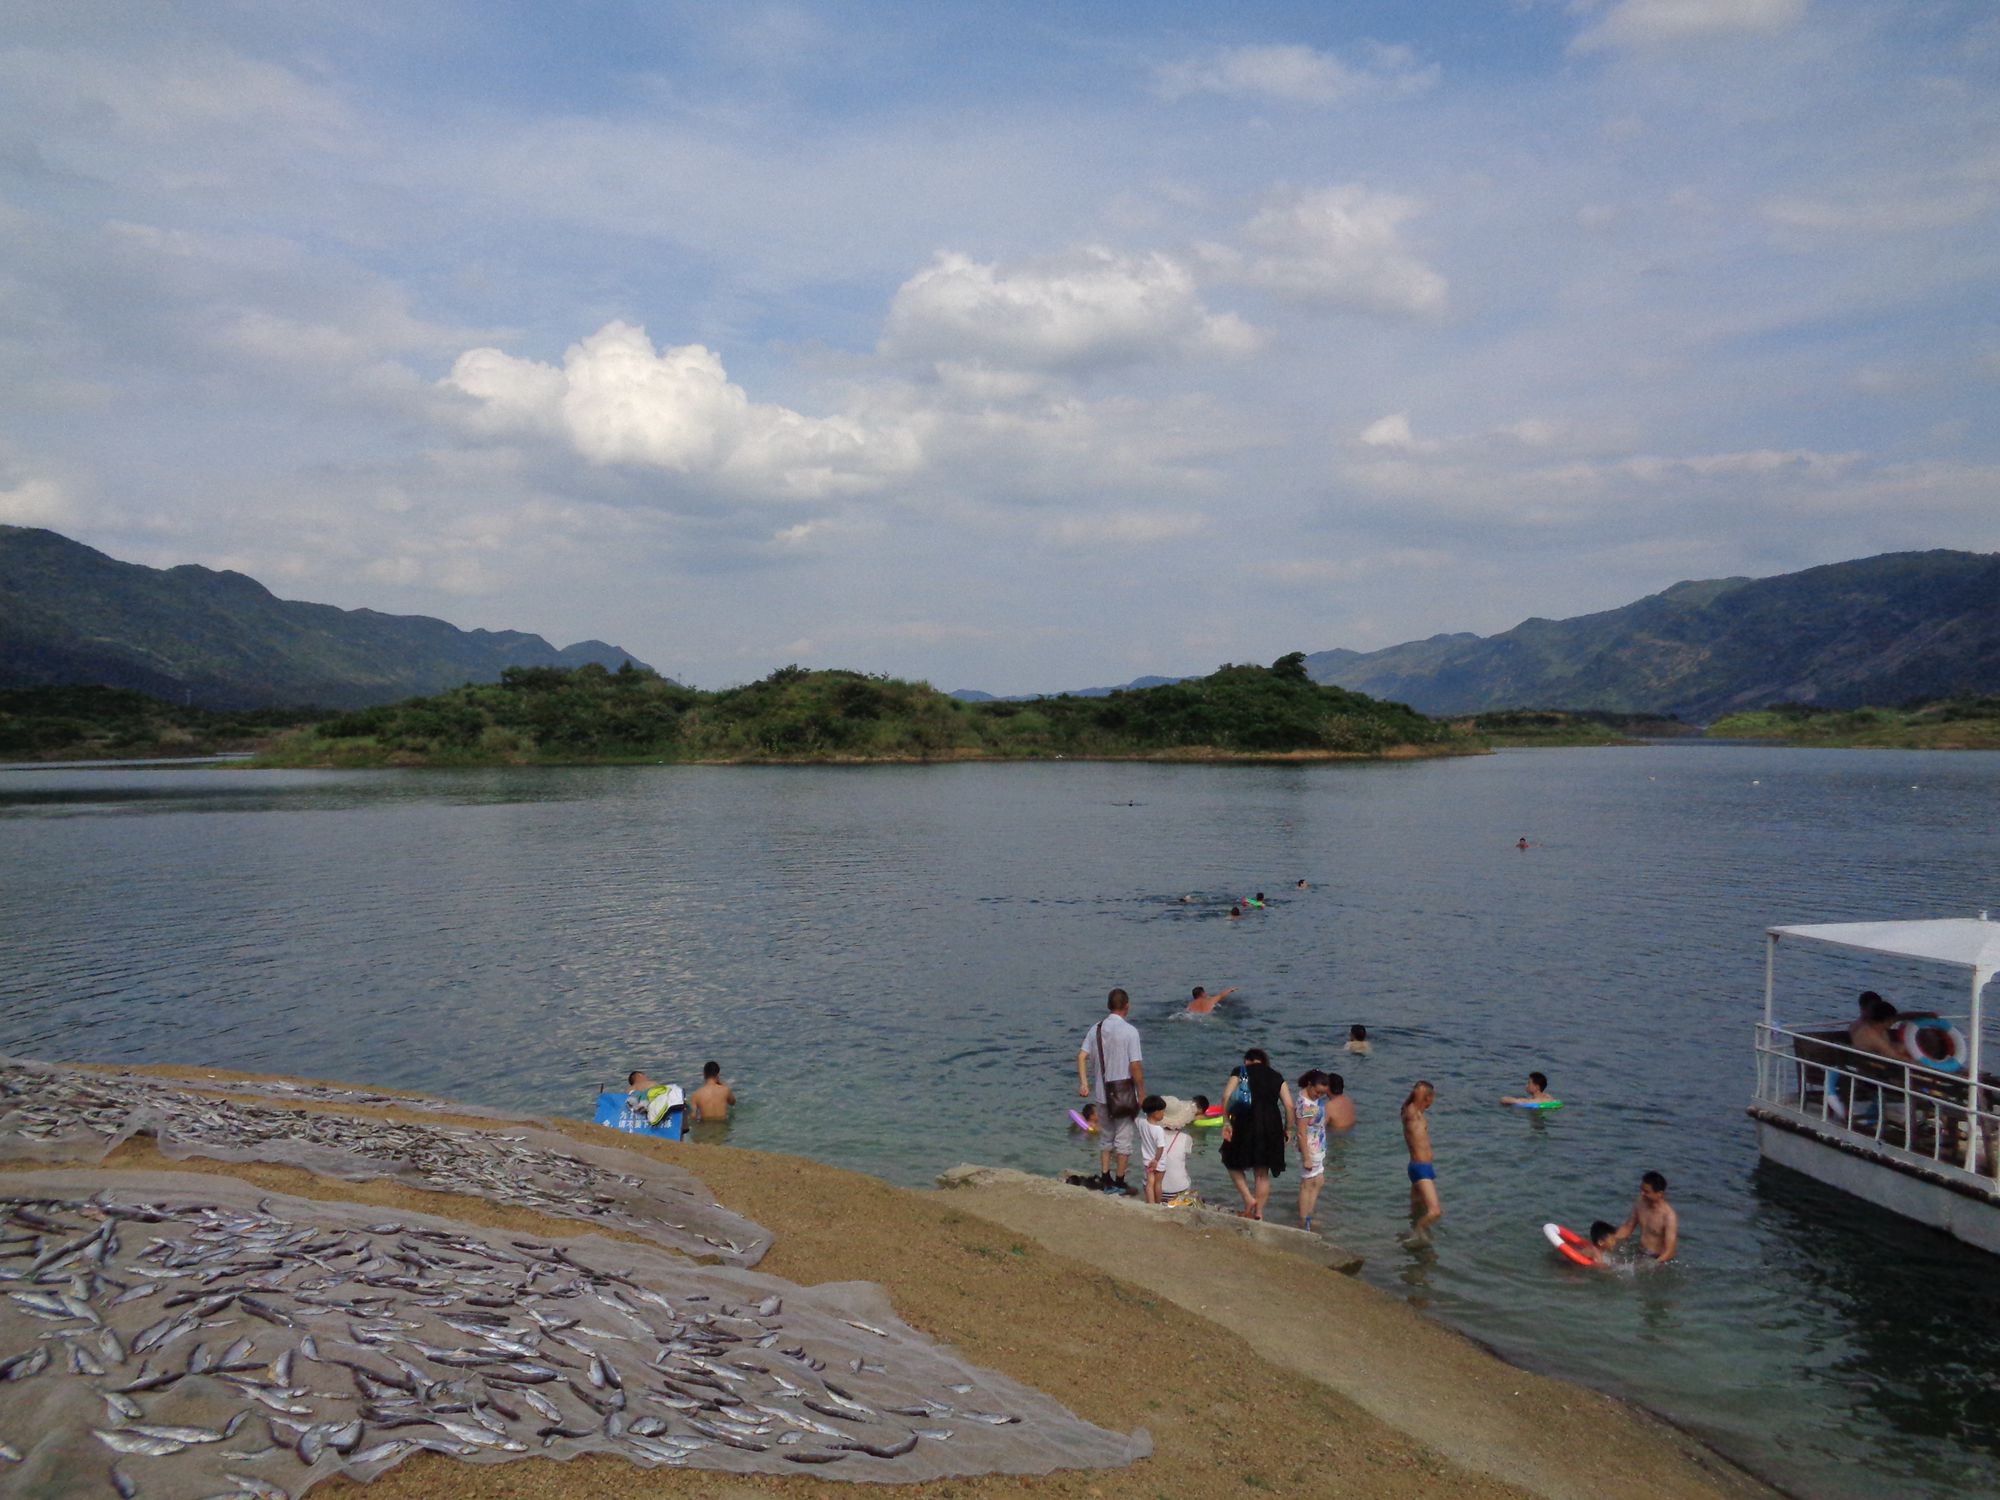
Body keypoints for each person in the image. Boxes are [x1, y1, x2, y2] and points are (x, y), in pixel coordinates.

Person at [1077, 988, 1146, 1194]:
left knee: (1106, 1136)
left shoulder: (1095, 1029)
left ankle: (1105, 1176)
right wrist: (1141, 1092)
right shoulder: (1130, 1031)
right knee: (1124, 1140)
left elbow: (1081, 1056)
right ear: (1127, 1006)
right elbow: (1135, 1066)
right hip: (1124, 1094)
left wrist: (1084, 1083)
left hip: (1102, 1093)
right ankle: (1120, 1181)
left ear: (1109, 1006)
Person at [1219, 1047, 1293, 1219]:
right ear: (1264, 1061)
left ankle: (1248, 1199)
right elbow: (1289, 1105)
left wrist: (1226, 1122)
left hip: (1244, 1122)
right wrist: (1288, 1129)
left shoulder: (1240, 1071)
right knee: (1262, 1172)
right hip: (1272, 1126)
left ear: (1247, 1060)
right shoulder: (1276, 1076)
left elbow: (1226, 1097)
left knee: (1230, 1160)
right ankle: (1258, 1213)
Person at [1138, 1096, 1197, 1205]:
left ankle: (1152, 1203)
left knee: (1150, 1179)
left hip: (1150, 1186)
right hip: (1177, 1191)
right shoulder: (1186, 1138)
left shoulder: (1149, 1131)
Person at [1402, 1081, 1442, 1244]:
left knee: (1418, 1208)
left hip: (1423, 1167)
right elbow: (1417, 1096)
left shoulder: (1418, 1114)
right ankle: (1417, 1232)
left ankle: (1413, 1235)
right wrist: (1420, 1089)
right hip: (1420, 1169)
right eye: (1431, 1097)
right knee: (1435, 1211)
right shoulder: (1412, 1113)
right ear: (1428, 1098)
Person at [1610, 1171, 1679, 1263]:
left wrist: (1653, 1264)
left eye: (1646, 1192)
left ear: (1660, 1194)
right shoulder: (1640, 1203)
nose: (1642, 1194)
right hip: (1640, 1252)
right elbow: (1627, 1228)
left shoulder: (1669, 1216)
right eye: (1641, 1190)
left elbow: (1670, 1251)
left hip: (1658, 1259)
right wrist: (1609, 1239)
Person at [1293, 1070, 1329, 1229]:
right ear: (1309, 1085)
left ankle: (1309, 1212)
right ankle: (1304, 1218)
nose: (1318, 1095)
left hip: (1318, 1144)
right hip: (1309, 1147)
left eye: (1322, 1093)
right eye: (1317, 1091)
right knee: (1308, 1183)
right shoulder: (1305, 1105)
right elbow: (1301, 1133)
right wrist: (1306, 1157)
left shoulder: (1314, 1099)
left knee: (1319, 1181)